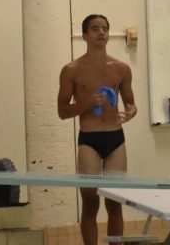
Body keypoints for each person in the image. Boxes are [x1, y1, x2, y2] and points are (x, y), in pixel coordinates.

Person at [57, 14, 138, 245]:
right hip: (89, 140)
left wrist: (131, 112)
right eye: (95, 29)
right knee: (90, 202)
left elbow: (131, 103)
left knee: (115, 201)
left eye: (104, 28)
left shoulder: (121, 68)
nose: (101, 32)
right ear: (84, 35)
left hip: (115, 139)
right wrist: (88, 104)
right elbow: (62, 111)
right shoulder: (71, 70)